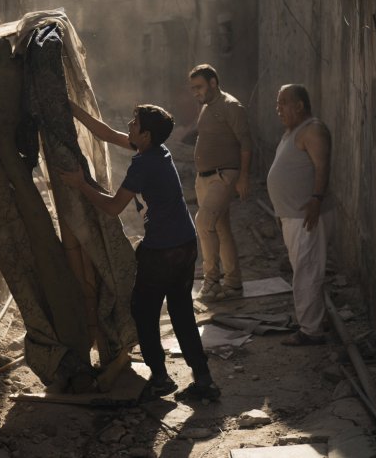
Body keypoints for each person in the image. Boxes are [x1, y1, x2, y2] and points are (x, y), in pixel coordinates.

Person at [61, 102, 221, 401]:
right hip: (185, 244)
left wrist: (80, 184)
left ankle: (160, 378)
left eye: (134, 123)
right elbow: (107, 133)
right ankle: (204, 379)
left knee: (144, 313)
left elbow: (111, 207)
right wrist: (73, 109)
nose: (129, 126)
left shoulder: (143, 163)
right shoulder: (158, 151)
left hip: (161, 250)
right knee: (182, 312)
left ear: (145, 135)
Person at [266, 84, 333, 346]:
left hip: (306, 215)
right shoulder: (292, 132)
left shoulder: (313, 130)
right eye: (278, 103)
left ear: (299, 106)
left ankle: (310, 331)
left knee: (307, 271)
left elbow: (322, 166)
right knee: (304, 268)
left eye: (283, 103)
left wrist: (316, 200)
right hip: (292, 215)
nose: (278, 108)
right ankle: (316, 319)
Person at [188, 64, 253, 301]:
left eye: (199, 87)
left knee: (203, 223)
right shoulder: (207, 107)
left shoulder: (230, 106)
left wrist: (243, 177)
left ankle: (212, 282)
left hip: (224, 176)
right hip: (204, 178)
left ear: (213, 83)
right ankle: (233, 284)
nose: (195, 92)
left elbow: (246, 142)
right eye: (193, 88)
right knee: (221, 228)